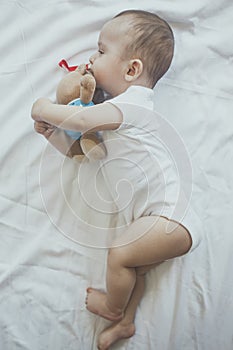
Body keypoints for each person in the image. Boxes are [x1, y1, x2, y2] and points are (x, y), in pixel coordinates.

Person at [32, 10, 201, 350]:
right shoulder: (111, 118)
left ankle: (112, 306)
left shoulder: (133, 105)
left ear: (132, 69)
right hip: (154, 221)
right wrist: (51, 134)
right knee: (134, 270)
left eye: (100, 51)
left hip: (171, 217)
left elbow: (79, 120)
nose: (91, 60)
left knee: (119, 254)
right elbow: (79, 152)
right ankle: (124, 323)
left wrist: (43, 108)